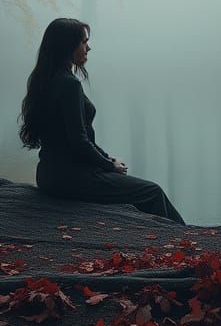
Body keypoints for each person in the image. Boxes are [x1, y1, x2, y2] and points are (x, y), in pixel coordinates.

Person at [18, 17, 184, 223]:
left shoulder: (45, 80)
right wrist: (109, 165)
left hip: (48, 175)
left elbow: (78, 137)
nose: (88, 48)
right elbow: (78, 141)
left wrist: (108, 160)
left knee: (142, 190)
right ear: (68, 45)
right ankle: (184, 238)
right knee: (152, 192)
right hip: (72, 178)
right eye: (84, 42)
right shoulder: (69, 85)